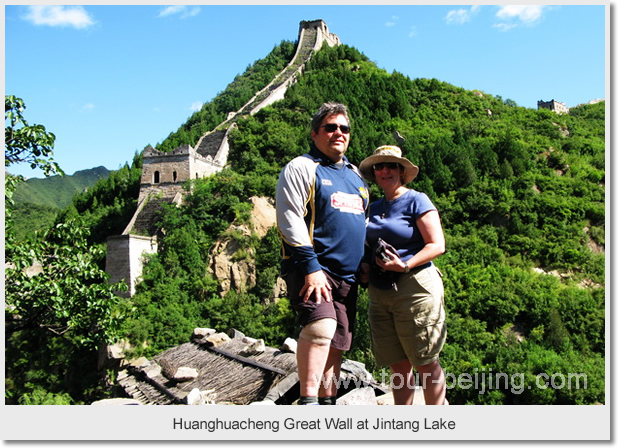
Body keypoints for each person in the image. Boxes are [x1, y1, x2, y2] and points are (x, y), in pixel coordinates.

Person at [276, 103, 369, 405]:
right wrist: (311, 266)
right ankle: (308, 402)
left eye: (344, 128)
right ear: (315, 134)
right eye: (330, 127)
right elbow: (288, 217)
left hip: (348, 275)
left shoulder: (357, 177)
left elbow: (362, 223)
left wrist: (366, 262)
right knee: (320, 327)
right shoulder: (302, 167)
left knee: (338, 340)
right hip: (313, 267)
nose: (338, 133)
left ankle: (327, 402)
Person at [358, 145, 447, 405]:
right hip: (380, 290)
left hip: (415, 288)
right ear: (374, 173)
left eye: (391, 165)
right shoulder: (372, 207)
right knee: (398, 366)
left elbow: (437, 245)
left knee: (426, 363)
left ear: (402, 171)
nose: (385, 170)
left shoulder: (417, 200)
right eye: (379, 166)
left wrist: (405, 265)